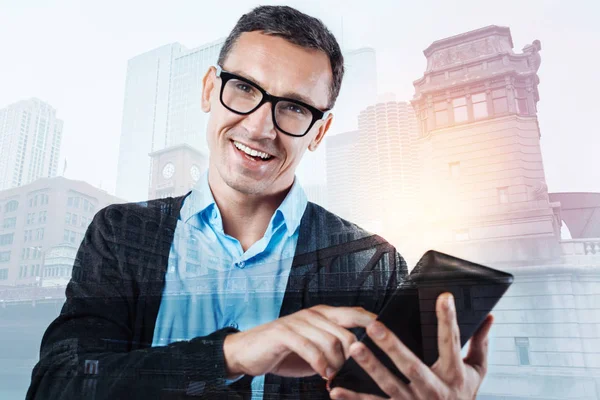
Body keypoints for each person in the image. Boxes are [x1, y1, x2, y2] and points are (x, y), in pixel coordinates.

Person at [27, 5, 493, 400]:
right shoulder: (120, 233)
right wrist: (232, 353)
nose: (259, 128)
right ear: (211, 89)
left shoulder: (370, 264)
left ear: (319, 132)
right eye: (245, 89)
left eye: (293, 107)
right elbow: (57, 384)